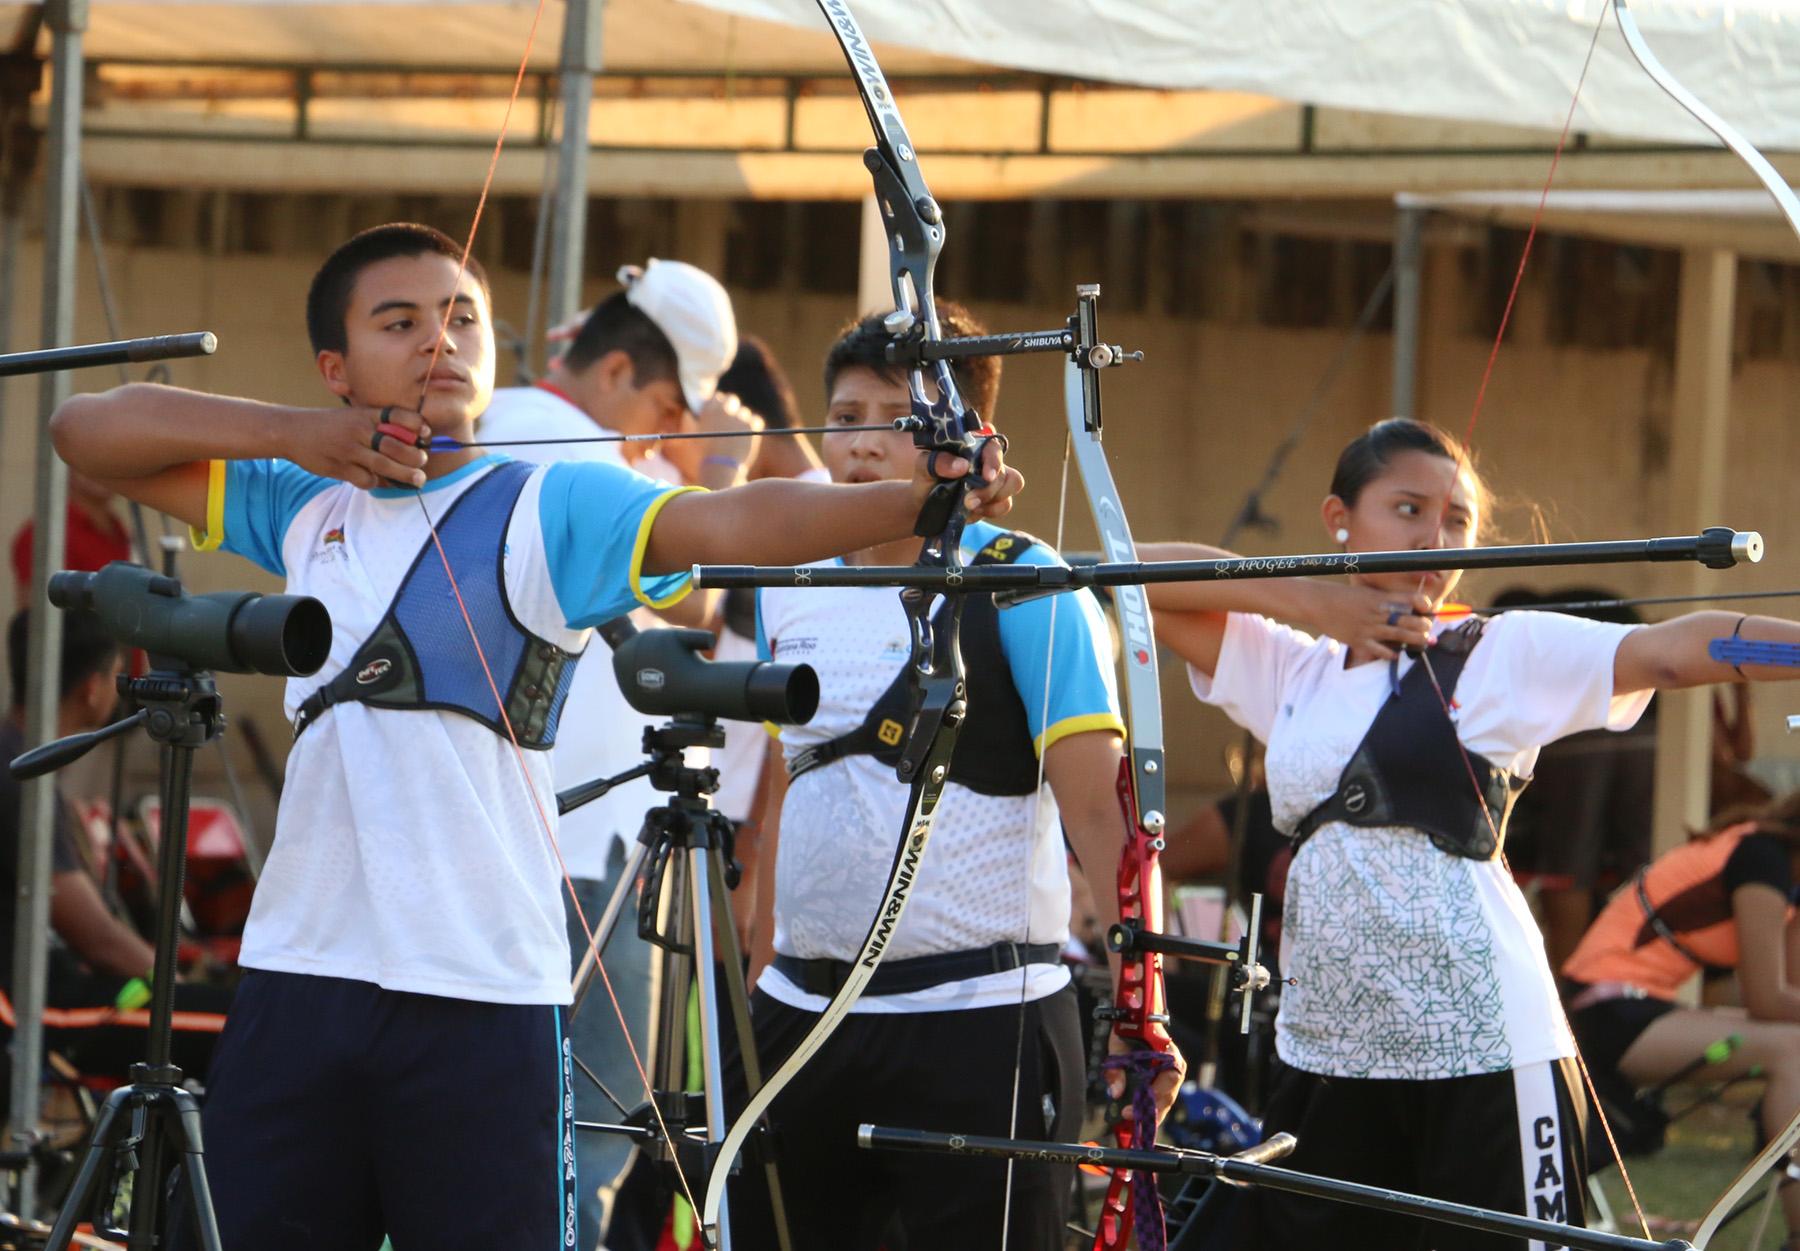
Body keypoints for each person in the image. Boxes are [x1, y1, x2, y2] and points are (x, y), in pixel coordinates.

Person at [47, 221, 1021, 1251]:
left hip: (481, 996)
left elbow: (737, 525)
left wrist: (923, 498)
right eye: (400, 321)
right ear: (336, 367)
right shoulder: (300, 503)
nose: (441, 340)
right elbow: (87, 428)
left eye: (463, 317)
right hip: (302, 980)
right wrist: (295, 433)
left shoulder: (547, 502)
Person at [1141, 416, 1800, 1250]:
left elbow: (1672, 651)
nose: (1434, 538)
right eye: (1407, 509)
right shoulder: (1291, 664)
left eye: (1455, 522)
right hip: (1332, 1053)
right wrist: (1312, 598)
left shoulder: (1497, 653)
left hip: (1488, 1051)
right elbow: (1125, 576)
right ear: (1338, 515)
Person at [724, 302, 1175, 1251]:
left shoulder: (1023, 577)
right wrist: (757, 965)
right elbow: (789, 786)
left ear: (968, 441)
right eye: (842, 417)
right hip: (804, 1011)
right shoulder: (783, 575)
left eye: (895, 417)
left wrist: (1147, 999)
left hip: (981, 1016)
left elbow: (1101, 810)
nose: (857, 443)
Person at [475, 259, 753, 1251]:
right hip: (581, 844)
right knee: (591, 1122)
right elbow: (702, 600)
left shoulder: (478, 418)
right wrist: (720, 473)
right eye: (671, 409)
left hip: (485, 836)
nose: (669, 432)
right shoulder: (614, 472)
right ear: (620, 371)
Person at [0, 609, 230, 1102]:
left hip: (59, 996)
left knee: (243, 1016)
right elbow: (98, 939)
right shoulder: (20, 780)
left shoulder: (16, 757)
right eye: (116, 675)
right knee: (247, 1028)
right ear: (92, 687)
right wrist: (176, 981)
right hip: (47, 1010)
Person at [1564, 793, 1800, 1246]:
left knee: (1789, 1041)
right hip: (1607, 1009)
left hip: (1638, 1007)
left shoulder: (1780, 863)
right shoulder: (1762, 858)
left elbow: (1785, 990)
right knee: (1791, 1048)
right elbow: (1768, 1000)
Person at [1497, 587, 1658, 975]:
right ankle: (1604, 988)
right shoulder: (1590, 616)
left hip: (1581, 743)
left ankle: (1569, 993)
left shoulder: (1520, 634)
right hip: (1640, 736)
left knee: (1568, 865)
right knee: (1632, 864)